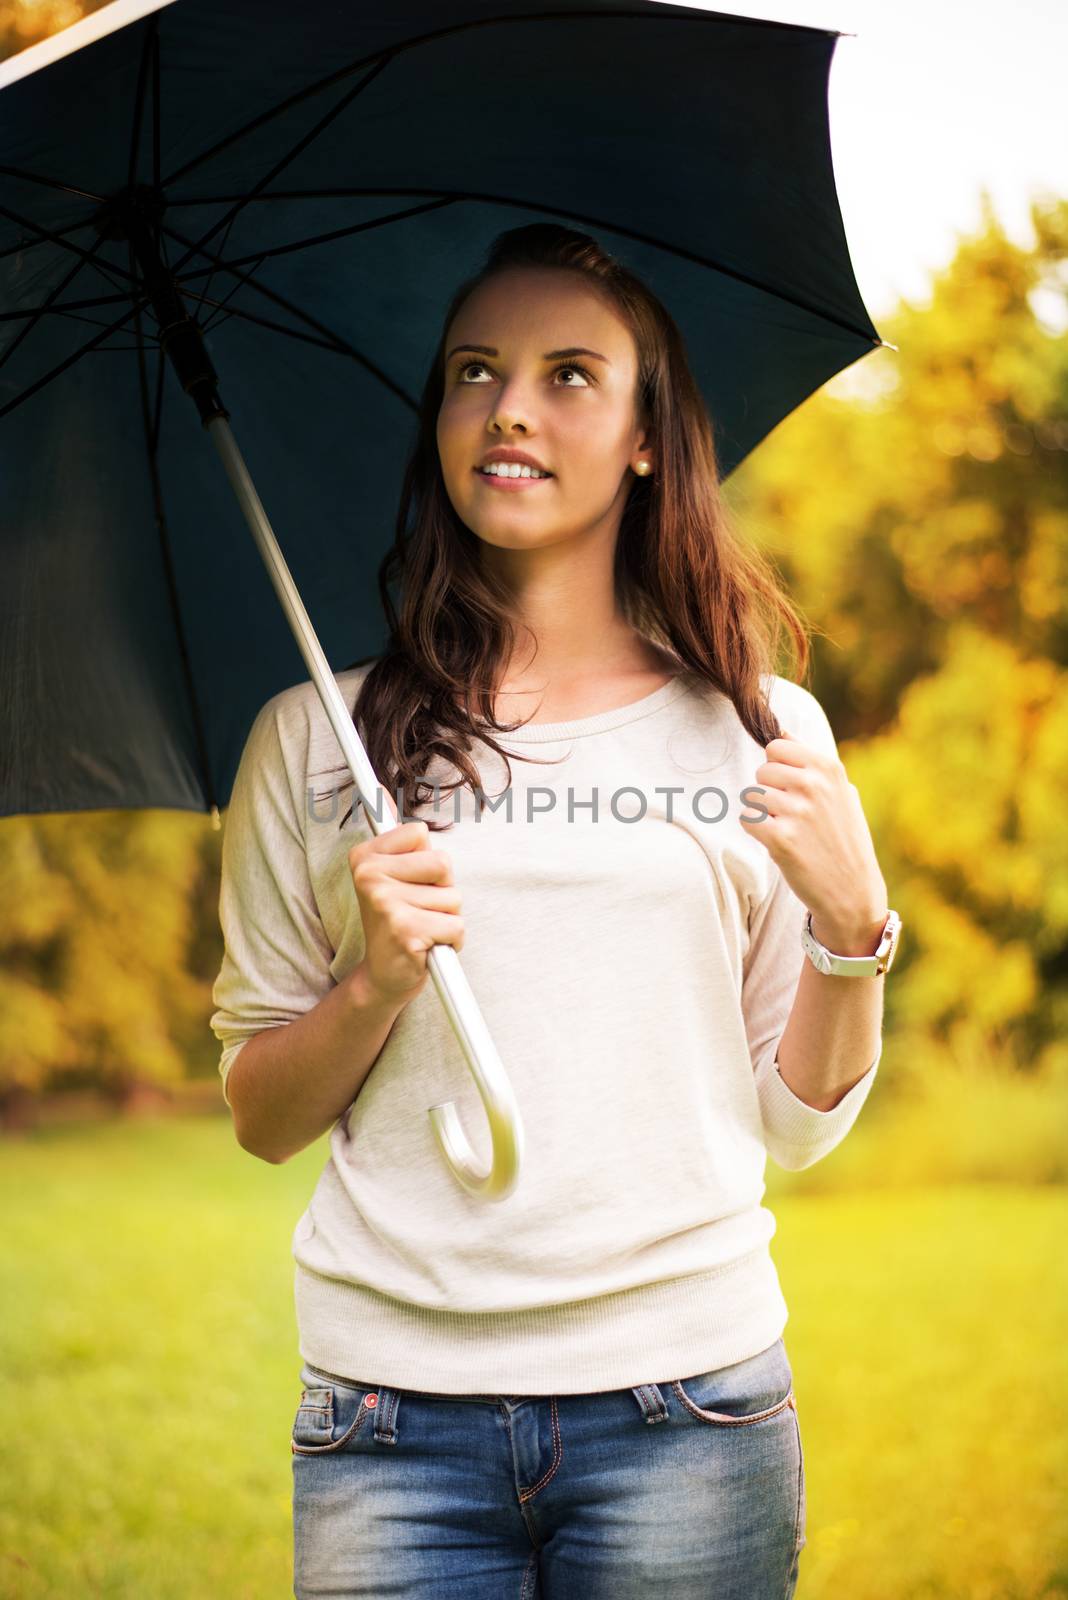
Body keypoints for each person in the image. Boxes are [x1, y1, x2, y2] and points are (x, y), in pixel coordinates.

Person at [210, 223, 894, 1599]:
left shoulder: (760, 731)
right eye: (474, 369)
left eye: (569, 373)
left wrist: (853, 929)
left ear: (650, 434)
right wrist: (375, 988)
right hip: (385, 1427)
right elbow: (262, 1114)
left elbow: (797, 1123)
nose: (508, 406)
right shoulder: (314, 737)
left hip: (687, 1415)